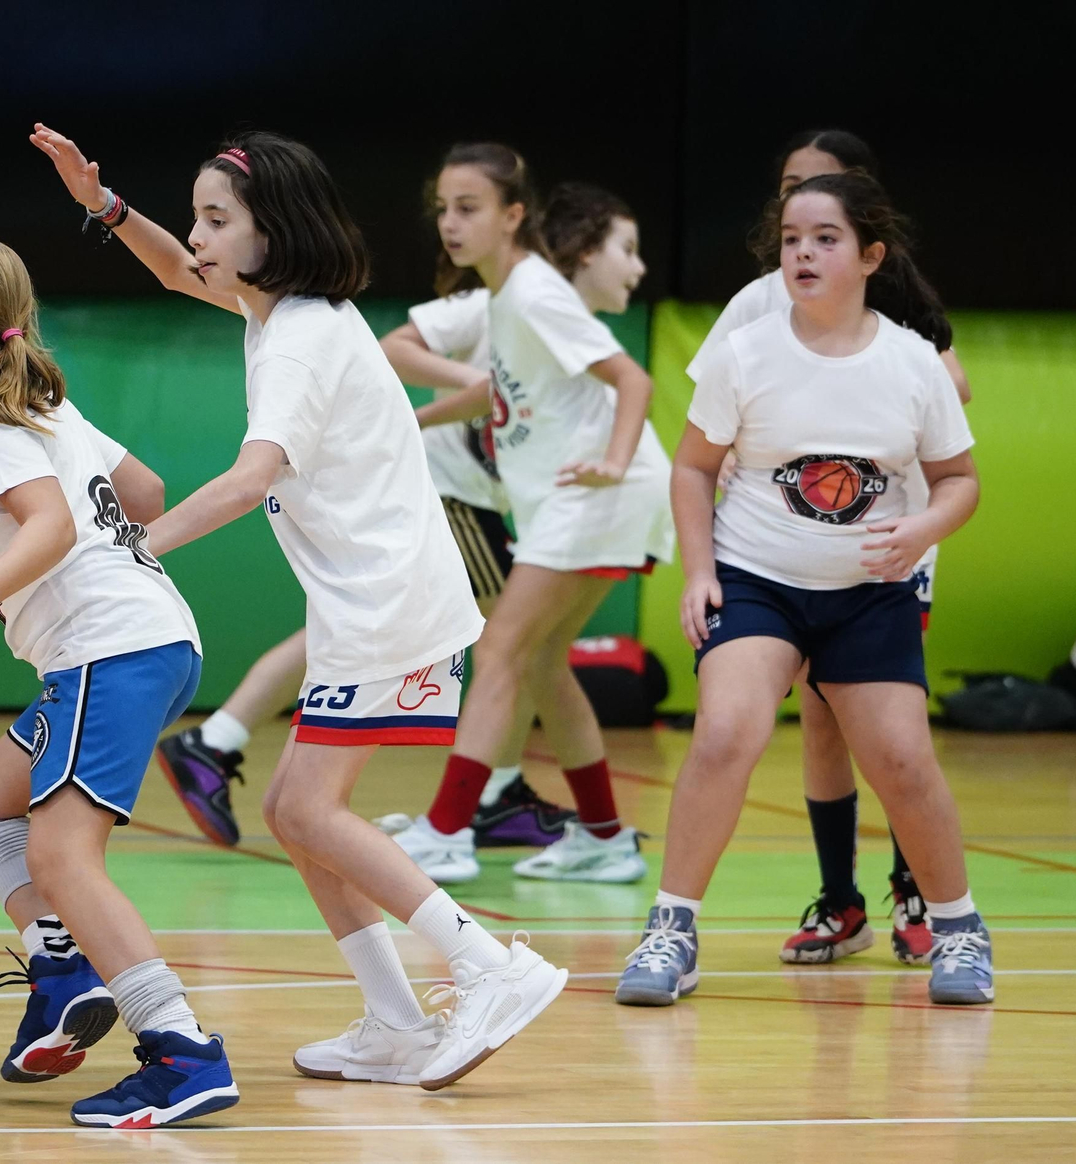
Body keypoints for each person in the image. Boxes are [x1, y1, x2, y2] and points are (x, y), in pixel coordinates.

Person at [30, 124, 568, 1091]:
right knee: (291, 807)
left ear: (272, 231)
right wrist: (105, 207)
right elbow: (174, 275)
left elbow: (247, 481)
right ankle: (396, 1021)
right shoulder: (283, 312)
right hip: (370, 597)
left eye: (216, 219)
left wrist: (131, 543)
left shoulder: (299, 346)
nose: (196, 237)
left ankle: (491, 967)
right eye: (197, 216)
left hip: (388, 601)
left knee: (310, 809)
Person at [0, 232, 237, 1128]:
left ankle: (180, 1048)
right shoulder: (45, 405)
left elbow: (51, 529)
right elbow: (146, 494)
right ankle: (62, 969)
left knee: (60, 854)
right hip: (157, 640)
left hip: (106, 649)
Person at [613, 170, 994, 1009]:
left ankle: (961, 930)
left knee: (901, 759)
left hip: (867, 592)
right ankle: (672, 929)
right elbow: (691, 468)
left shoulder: (910, 363)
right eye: (792, 239)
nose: (804, 253)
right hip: (758, 579)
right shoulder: (746, 352)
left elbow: (959, 480)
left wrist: (923, 529)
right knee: (725, 732)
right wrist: (703, 570)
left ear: (870, 255)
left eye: (825, 238)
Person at [688, 129, 973, 966]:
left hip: (887, 546)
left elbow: (950, 388)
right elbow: (705, 426)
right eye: (789, 197)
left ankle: (919, 889)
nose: (802, 223)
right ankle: (840, 898)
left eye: (823, 200)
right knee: (815, 723)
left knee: (890, 738)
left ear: (865, 231)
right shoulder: (755, 308)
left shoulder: (902, 316)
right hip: (775, 550)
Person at [385, 146, 671, 886]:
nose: (450, 223)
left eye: (469, 208)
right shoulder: (505, 296)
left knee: (504, 647)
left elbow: (631, 378)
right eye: (443, 208)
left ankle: (447, 830)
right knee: (542, 661)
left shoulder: (537, 291)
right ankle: (605, 839)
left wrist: (610, 459)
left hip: (598, 492)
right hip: (578, 497)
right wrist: (414, 423)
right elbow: (495, 396)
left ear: (514, 215)